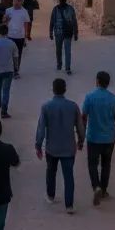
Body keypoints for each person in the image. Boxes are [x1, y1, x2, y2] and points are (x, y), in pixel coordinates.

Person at [34, 78, 84, 214]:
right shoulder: (73, 106)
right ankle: (69, 205)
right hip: (68, 147)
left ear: (53, 89)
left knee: (51, 171)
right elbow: (80, 126)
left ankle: (51, 195)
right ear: (65, 89)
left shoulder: (46, 107)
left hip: (52, 148)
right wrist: (81, 141)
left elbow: (41, 129)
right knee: (69, 176)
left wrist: (38, 145)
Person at [81, 71, 115, 205]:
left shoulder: (89, 97)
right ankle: (104, 190)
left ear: (97, 81)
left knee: (92, 164)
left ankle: (96, 186)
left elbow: (84, 117)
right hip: (108, 138)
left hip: (93, 137)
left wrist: (81, 137)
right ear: (108, 83)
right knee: (106, 164)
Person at [49, 0, 79, 75]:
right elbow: (52, 21)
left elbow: (74, 21)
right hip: (58, 33)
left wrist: (76, 32)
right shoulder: (55, 9)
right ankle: (59, 64)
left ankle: (67, 67)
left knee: (67, 51)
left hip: (67, 32)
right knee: (58, 50)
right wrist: (50, 32)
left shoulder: (70, 9)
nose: (62, 0)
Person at [3, 0, 30, 77]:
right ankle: (9, 69)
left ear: (21, 2)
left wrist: (26, 36)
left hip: (20, 37)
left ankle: (16, 70)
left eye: (18, 1)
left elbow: (26, 23)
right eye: (14, 1)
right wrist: (5, 20)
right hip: (10, 36)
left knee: (18, 54)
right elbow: (4, 22)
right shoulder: (8, 10)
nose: (16, 3)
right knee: (9, 54)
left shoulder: (24, 11)